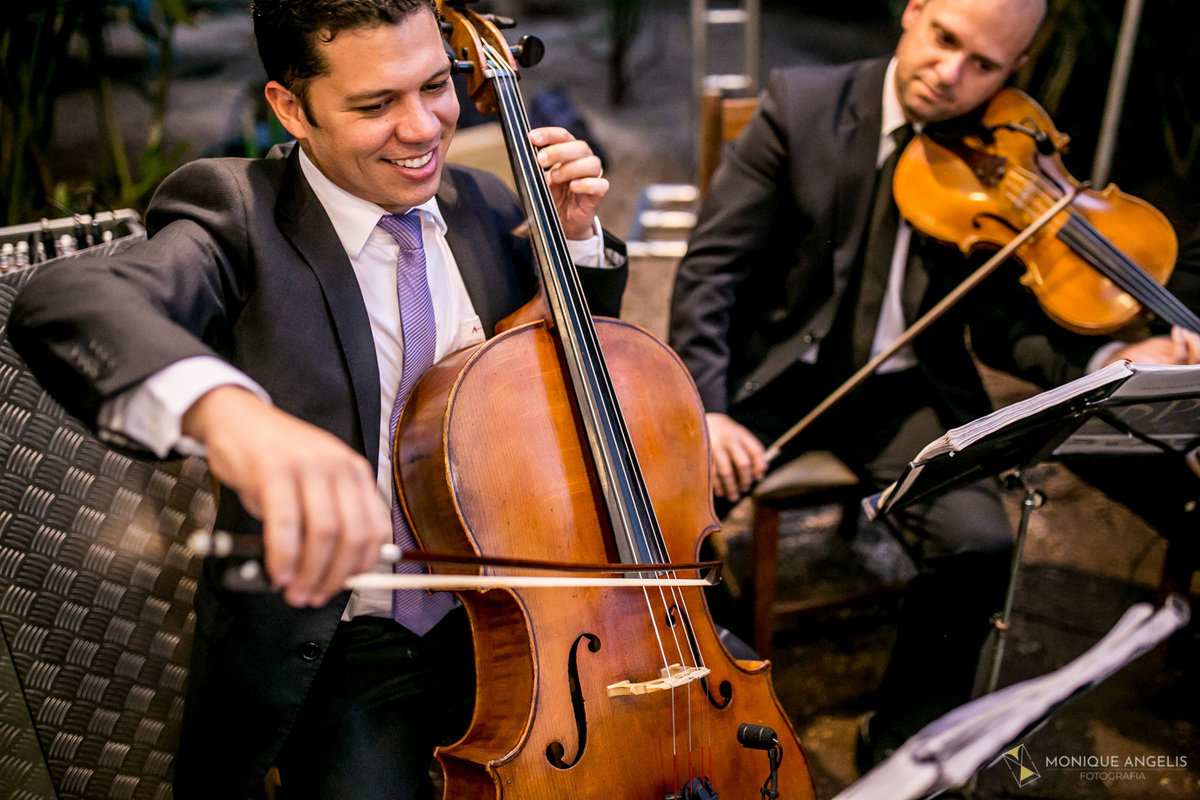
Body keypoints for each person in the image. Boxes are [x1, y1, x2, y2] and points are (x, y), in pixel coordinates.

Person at [9, 1, 626, 798]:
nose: (423, 127)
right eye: (375, 105)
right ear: (291, 108)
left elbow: (559, 389)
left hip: (521, 621)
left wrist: (571, 241)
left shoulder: (489, 204)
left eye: (435, 85)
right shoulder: (236, 213)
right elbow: (66, 301)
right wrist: (234, 416)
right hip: (350, 651)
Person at [668, 0, 1200, 771]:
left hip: (907, 393)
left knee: (981, 547)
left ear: (1012, 72)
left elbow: (1006, 323)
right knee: (665, 518)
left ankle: (901, 750)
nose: (951, 75)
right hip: (774, 382)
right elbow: (713, 272)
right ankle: (704, 711)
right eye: (945, 40)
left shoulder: (1002, 159)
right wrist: (708, 410)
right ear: (915, 13)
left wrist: (1111, 362)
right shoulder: (801, 105)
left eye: (983, 64)